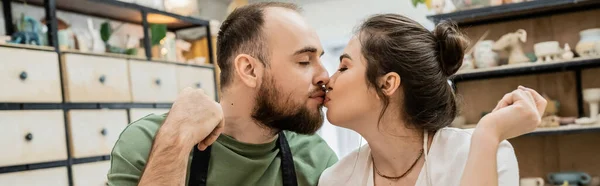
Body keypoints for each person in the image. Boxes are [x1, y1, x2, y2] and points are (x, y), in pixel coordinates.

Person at [107, 2, 339, 186]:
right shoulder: (148, 142)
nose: (324, 75)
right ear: (249, 70)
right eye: (304, 61)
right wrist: (176, 141)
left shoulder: (317, 158)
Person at [318, 14, 546, 186]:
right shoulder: (336, 179)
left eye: (343, 67)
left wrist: (488, 133)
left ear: (387, 84)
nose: (328, 79)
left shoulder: (485, 152)